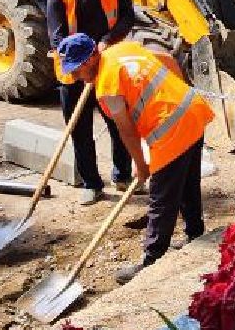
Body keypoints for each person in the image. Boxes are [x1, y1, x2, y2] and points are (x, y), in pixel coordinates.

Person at [58, 33, 213, 283]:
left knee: (161, 197)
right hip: (192, 108)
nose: (75, 76)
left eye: (77, 69)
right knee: (186, 182)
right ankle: (196, 234)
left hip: (171, 126)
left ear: (92, 57)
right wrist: (179, 91)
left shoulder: (108, 86)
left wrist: (141, 167)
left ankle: (152, 260)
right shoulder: (123, 50)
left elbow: (126, 130)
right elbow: (167, 59)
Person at [46, 0, 134, 204]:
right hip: (74, 72)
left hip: (107, 65)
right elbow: (57, 38)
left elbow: (128, 17)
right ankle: (91, 183)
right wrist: (83, 63)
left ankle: (122, 175)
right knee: (80, 129)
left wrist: (108, 39)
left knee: (119, 123)